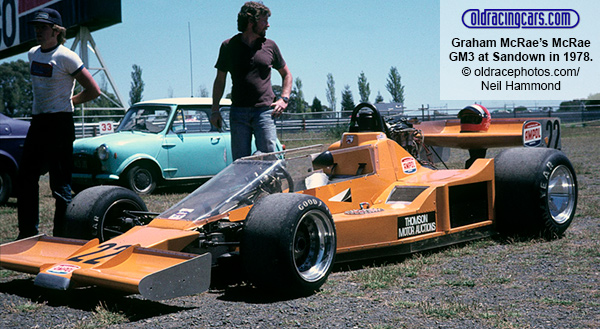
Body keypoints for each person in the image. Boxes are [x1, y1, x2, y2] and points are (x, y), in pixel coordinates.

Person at [17, 8, 101, 239]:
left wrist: (71, 100)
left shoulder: (67, 56)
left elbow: (94, 90)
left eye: (43, 27)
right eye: (36, 27)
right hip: (38, 121)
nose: (38, 32)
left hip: (60, 123)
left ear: (56, 31)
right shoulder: (33, 53)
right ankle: (26, 233)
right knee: (25, 178)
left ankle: (61, 238)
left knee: (60, 185)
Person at [210, 1, 292, 160]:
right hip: (238, 112)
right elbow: (220, 80)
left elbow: (287, 74)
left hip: (265, 111)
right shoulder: (228, 46)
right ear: (251, 21)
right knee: (241, 162)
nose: (268, 25)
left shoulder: (270, 46)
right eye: (264, 21)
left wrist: (284, 99)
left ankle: (271, 185)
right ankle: (248, 186)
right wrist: (215, 110)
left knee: (270, 157)